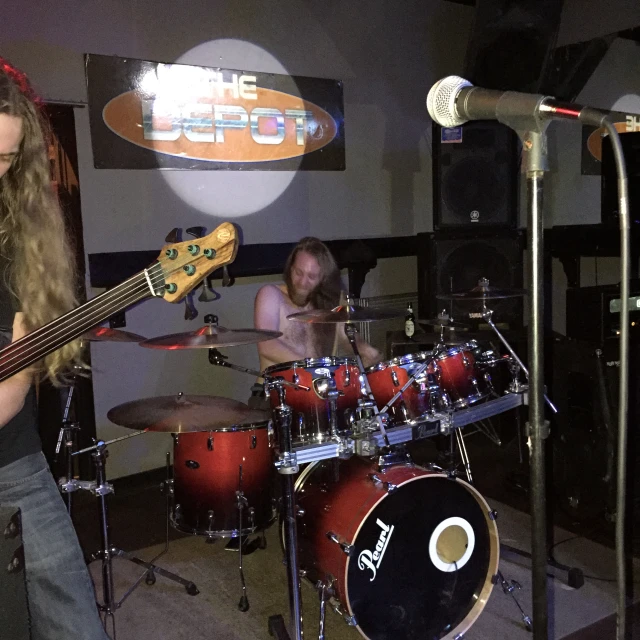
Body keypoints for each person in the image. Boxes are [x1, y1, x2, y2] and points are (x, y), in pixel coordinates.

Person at [0, 58, 109, 640]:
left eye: (5, 160)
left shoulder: (19, 235)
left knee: (76, 623)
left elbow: (27, 350)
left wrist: (19, 375)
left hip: (12, 464)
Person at [250, 236, 381, 406]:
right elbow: (267, 345)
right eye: (298, 272)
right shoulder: (270, 294)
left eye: (312, 276)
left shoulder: (328, 303)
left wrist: (366, 349)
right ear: (290, 268)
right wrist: (314, 369)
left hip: (319, 393)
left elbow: (346, 335)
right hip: (276, 394)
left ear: (323, 278)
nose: (303, 282)